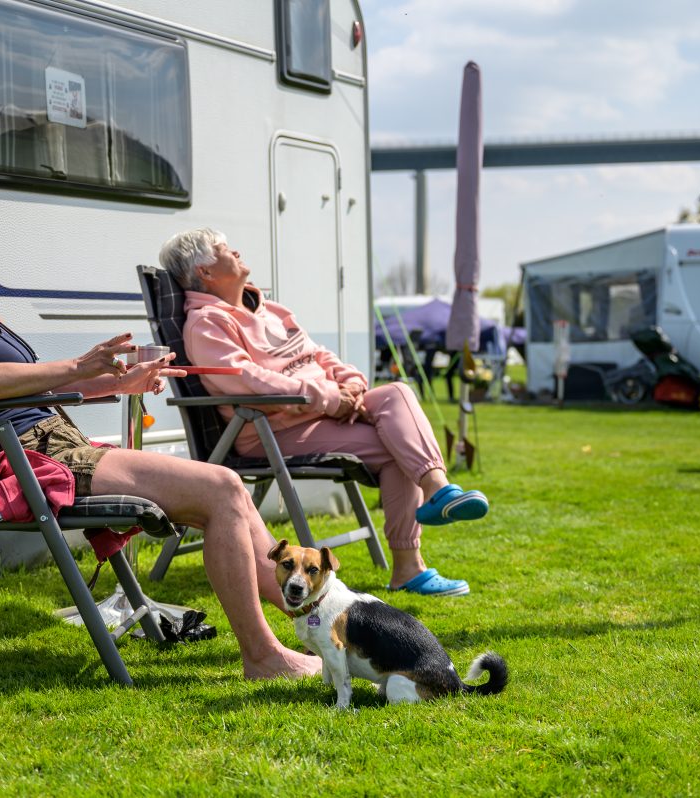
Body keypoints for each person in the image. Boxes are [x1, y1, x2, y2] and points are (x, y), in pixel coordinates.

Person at [0, 184, 319, 681]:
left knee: (233, 500)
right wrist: (78, 364)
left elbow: (27, 387)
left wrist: (119, 382)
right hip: (22, 457)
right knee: (223, 487)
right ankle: (263, 657)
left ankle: (320, 619)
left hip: (51, 441)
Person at [158, 228, 489, 597]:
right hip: (271, 428)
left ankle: (437, 490)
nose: (235, 250)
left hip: (319, 412)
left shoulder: (270, 309)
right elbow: (248, 381)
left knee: (397, 391)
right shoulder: (206, 324)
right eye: (223, 249)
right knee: (398, 447)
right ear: (204, 271)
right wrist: (330, 397)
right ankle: (409, 566)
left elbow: (318, 354)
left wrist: (352, 386)